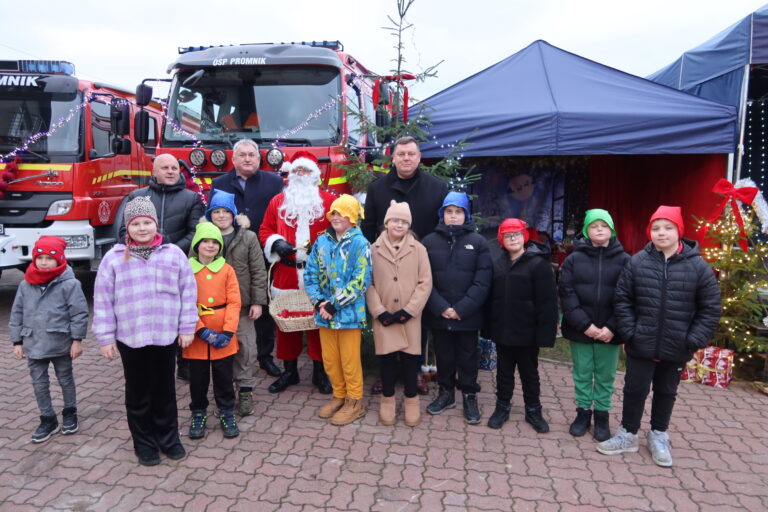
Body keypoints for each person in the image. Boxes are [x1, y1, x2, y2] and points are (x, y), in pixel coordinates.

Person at [597, 206, 721, 467]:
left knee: (666, 391)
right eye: (656, 228)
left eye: (668, 227)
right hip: (641, 342)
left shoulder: (698, 267)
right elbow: (623, 300)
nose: (661, 233)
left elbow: (710, 308)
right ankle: (628, 434)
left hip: (677, 345)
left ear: (679, 231)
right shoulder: (637, 262)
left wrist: (693, 339)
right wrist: (630, 333)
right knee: (634, 389)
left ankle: (658, 435)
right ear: (649, 232)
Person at [93, 197, 198, 466]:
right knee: (138, 393)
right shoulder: (114, 258)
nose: (142, 228)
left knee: (164, 391)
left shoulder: (173, 254)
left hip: (165, 335)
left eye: (147, 223)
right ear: (127, 228)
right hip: (131, 337)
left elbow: (189, 292)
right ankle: (144, 443)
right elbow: (103, 299)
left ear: (156, 224)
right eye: (136, 224)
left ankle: (169, 438)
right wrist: (105, 338)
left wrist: (187, 327)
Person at [361, 136, 448, 394]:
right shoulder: (377, 188)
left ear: (419, 157)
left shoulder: (437, 187)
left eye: (411, 154)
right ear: (394, 157)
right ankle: (385, 372)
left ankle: (416, 371)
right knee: (385, 318)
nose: (406, 158)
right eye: (401, 154)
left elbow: (442, 227)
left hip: (421, 263)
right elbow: (368, 227)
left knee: (417, 319)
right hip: (385, 264)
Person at [121, 153, 205, 382]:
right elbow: (123, 232)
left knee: (176, 310)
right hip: (140, 267)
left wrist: (170, 252)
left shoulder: (191, 198)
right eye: (165, 168)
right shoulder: (137, 197)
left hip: (176, 265)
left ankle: (182, 360)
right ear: (154, 172)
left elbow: (194, 233)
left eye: (174, 168)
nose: (170, 171)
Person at [259, 151, 336, 394]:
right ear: (290, 174)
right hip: (286, 273)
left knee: (318, 324)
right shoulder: (277, 202)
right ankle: (290, 372)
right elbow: (264, 230)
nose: (301, 175)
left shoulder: (330, 201)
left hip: (318, 274)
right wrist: (275, 242)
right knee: (286, 325)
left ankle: (319, 372)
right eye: (297, 170)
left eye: (305, 170)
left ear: (314, 174)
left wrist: (324, 245)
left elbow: (342, 231)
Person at [210, 138, 284, 378]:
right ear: (233, 159)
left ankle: (265, 357)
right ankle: (230, 353)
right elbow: (212, 216)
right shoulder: (220, 183)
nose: (247, 158)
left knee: (262, 305)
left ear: (258, 158)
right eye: (242, 155)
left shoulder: (274, 182)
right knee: (230, 304)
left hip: (264, 252)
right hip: (231, 254)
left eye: (252, 154)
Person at [559, 209, 630, 441]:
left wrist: (612, 327)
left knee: (605, 375)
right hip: (581, 329)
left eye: (604, 225)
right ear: (586, 231)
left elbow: (628, 297)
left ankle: (601, 414)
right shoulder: (573, 260)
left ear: (611, 229)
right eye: (593, 226)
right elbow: (567, 294)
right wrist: (584, 325)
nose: (599, 229)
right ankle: (583, 412)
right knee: (582, 372)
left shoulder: (625, 260)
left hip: (610, 331)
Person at [9, 236, 88, 443]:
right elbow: (17, 313)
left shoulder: (70, 284)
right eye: (40, 257)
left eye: (49, 258)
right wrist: (17, 341)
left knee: (65, 379)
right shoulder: (26, 285)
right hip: (33, 343)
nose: (44, 262)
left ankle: (70, 412)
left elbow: (79, 313)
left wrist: (77, 340)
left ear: (60, 259)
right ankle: (47, 418)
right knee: (39, 383)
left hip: (61, 342)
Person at [421, 192, 492, 424]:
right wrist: (440, 306)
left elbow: (482, 281)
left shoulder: (478, 243)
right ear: (443, 214)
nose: (453, 217)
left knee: (468, 356)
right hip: (439, 313)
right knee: (444, 355)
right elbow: (424, 279)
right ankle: (446, 393)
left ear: (465, 214)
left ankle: (469, 396)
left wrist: (461, 309)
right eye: (449, 212)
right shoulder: (429, 242)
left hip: (467, 315)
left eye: (458, 212)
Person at [484, 218, 557, 433]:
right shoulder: (497, 264)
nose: (512, 238)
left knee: (529, 373)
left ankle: (533, 410)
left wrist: (544, 334)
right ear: (501, 240)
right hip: (503, 330)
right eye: (507, 235)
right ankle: (502, 407)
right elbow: (490, 299)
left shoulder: (538, 264)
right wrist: (489, 328)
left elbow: (548, 303)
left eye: (516, 234)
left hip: (528, 333)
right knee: (504, 372)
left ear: (524, 236)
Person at [305, 194, 372, 426]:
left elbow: (360, 280)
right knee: (330, 360)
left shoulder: (360, 244)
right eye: (333, 213)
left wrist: (335, 305)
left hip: (349, 316)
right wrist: (319, 303)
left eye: (342, 214)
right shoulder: (322, 241)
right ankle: (339, 395)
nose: (336, 218)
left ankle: (355, 401)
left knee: (349, 360)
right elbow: (310, 274)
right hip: (324, 314)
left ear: (352, 218)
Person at [367, 200, 432, 427]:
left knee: (409, 359)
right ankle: (387, 398)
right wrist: (378, 311)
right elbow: (369, 283)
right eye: (395, 220)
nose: (399, 225)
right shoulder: (373, 250)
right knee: (387, 359)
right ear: (387, 222)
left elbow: (425, 282)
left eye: (404, 222)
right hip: (384, 315)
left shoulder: (419, 249)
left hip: (409, 317)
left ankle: (411, 399)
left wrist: (410, 310)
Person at [205, 189, 267, 417]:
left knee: (246, 349)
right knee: (221, 352)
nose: (221, 216)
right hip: (215, 308)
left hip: (242, 306)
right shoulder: (204, 238)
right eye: (216, 212)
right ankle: (224, 393)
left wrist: (258, 301)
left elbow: (258, 270)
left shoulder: (248, 238)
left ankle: (245, 391)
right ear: (210, 215)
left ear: (233, 215)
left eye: (225, 212)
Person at [185, 222, 242, 439]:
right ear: (197, 244)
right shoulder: (187, 268)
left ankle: (226, 411)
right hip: (197, 335)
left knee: (223, 377)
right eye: (205, 242)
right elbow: (184, 301)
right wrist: (200, 330)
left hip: (222, 334)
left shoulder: (227, 270)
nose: (210, 246)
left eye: (215, 242)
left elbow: (234, 302)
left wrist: (228, 332)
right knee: (198, 379)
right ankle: (198, 412)